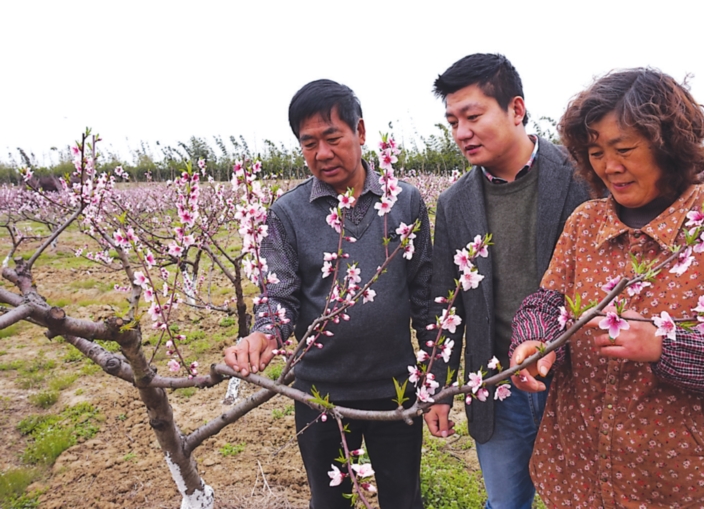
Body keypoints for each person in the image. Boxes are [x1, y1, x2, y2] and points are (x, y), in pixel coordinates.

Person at [510, 68, 704, 507]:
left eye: (624, 149)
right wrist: (537, 338)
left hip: (691, 485)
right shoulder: (586, 223)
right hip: (581, 476)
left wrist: (667, 345)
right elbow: (549, 300)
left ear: (668, 144)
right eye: (595, 152)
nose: (609, 166)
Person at [223, 79, 430, 509]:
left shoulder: (404, 202)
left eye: (332, 137)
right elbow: (280, 295)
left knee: (403, 500)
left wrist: (434, 377)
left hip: (396, 385)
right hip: (320, 392)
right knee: (330, 501)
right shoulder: (287, 212)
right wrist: (266, 333)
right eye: (309, 143)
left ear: (361, 132)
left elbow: (425, 295)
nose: (322, 154)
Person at [422, 53, 591, 509]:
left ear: (516, 109)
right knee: (505, 503)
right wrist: (436, 384)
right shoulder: (457, 203)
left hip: (576, 383)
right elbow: (446, 302)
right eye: (453, 121)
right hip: (497, 386)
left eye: (473, 116)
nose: (461, 133)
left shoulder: (581, 179)